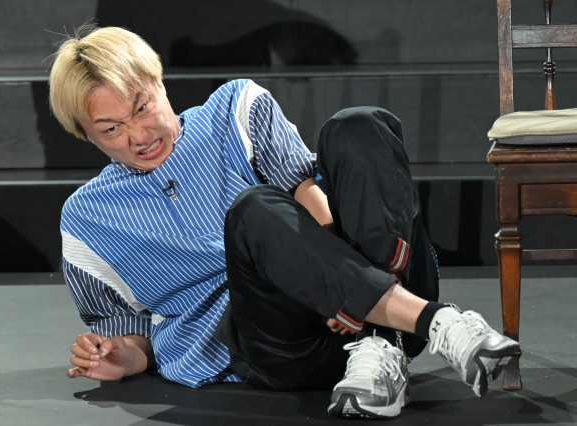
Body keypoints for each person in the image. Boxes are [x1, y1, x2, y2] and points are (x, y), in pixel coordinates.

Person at [48, 25, 520, 419]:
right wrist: (125, 356)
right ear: (86, 135)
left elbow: (308, 193)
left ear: (159, 82)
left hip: (353, 298)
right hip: (277, 345)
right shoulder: (88, 219)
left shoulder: (233, 110)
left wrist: (337, 289)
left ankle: (379, 347)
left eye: (142, 107)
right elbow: (131, 331)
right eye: (111, 129)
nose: (138, 135)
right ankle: (438, 323)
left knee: (358, 125)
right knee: (253, 210)